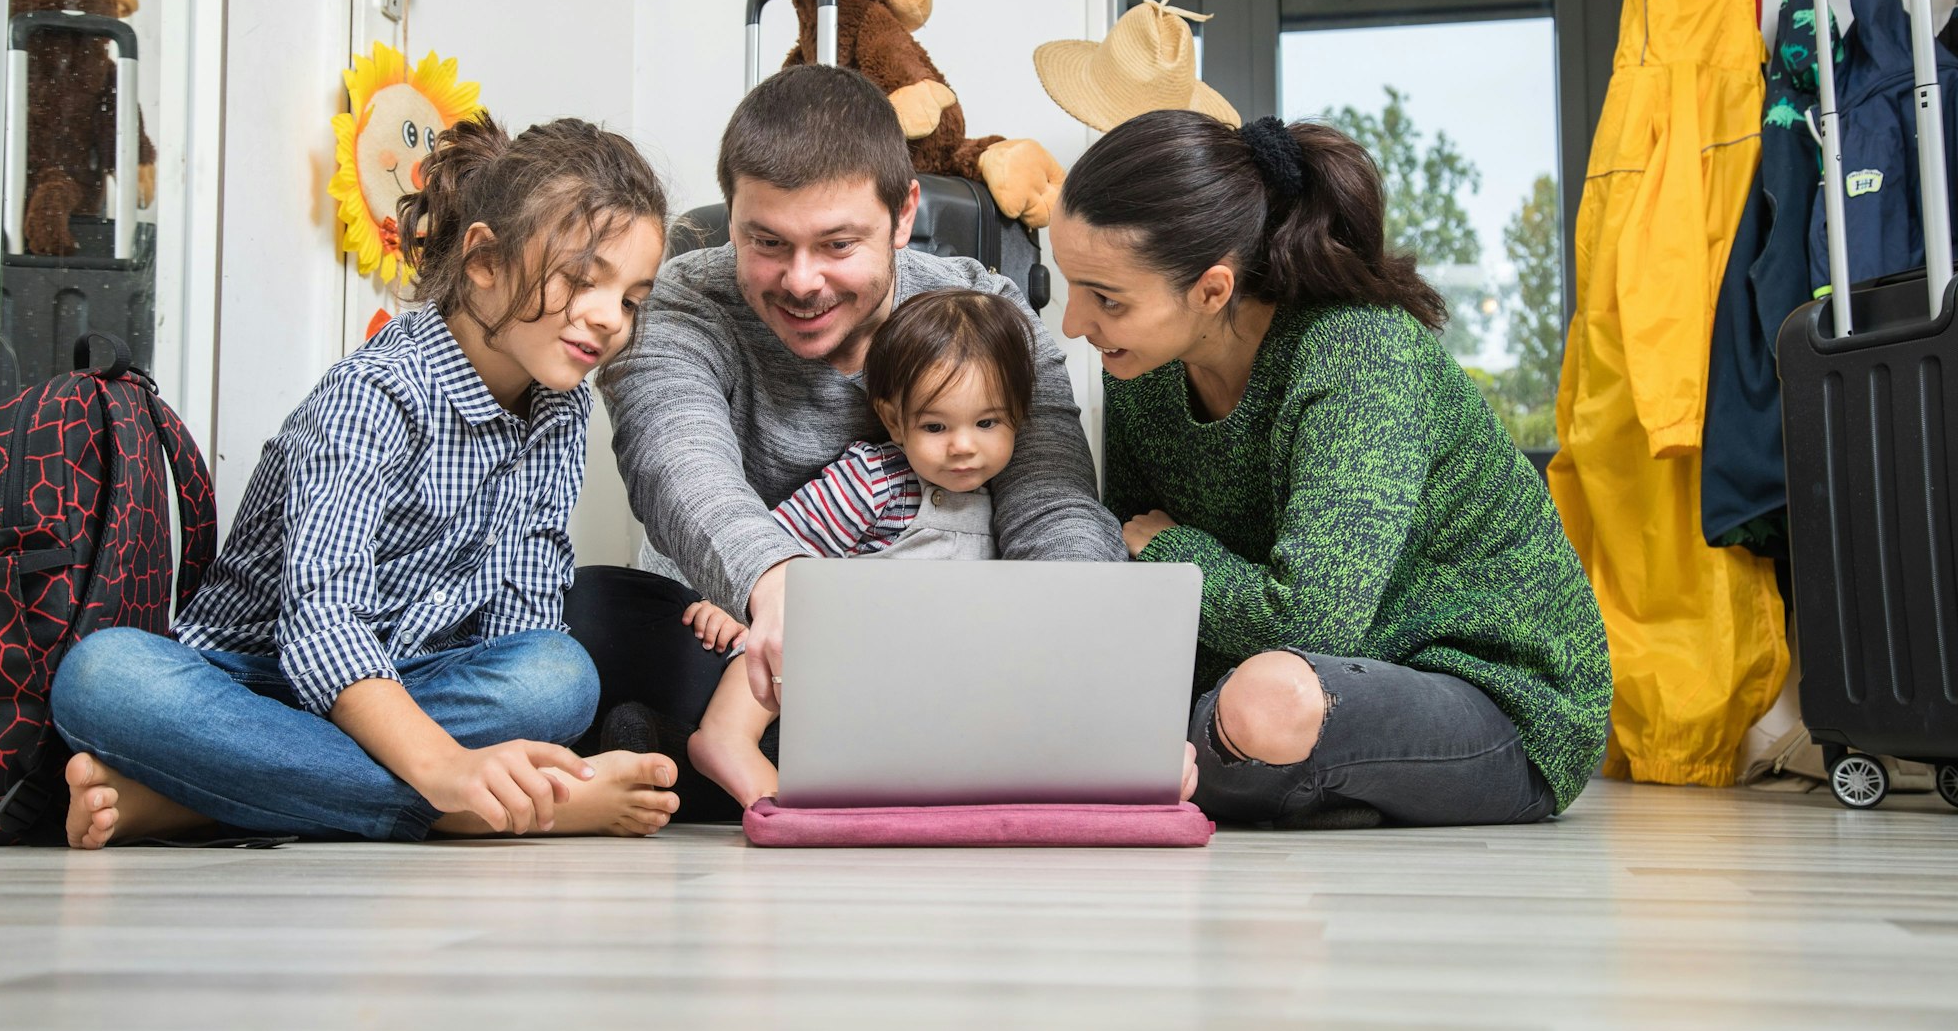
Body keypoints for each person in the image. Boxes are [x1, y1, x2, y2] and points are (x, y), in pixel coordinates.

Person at [48, 114, 684, 848]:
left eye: (631, 299)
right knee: (103, 675)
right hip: (255, 681)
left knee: (560, 674)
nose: (609, 319)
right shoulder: (376, 393)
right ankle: (452, 808)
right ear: (482, 259)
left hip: (411, 685)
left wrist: (454, 735)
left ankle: (205, 796)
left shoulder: (562, 406)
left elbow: (521, 623)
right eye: (581, 280)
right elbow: (322, 626)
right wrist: (446, 768)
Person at [579, 66, 1129, 807]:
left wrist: (1076, 655)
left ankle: (691, 758)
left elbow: (1052, 503)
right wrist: (775, 585)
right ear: (732, 220)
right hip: (735, 641)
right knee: (587, 615)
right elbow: (674, 460)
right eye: (766, 242)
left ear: (903, 215)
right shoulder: (681, 299)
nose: (802, 281)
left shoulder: (991, 314)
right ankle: (825, 759)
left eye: (838, 244)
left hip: (941, 648)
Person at [1053, 109, 1611, 828]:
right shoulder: (1141, 373)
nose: (1073, 323)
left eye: (1107, 299)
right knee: (1145, 725)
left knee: (1266, 704)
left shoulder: (1359, 352)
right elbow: (1152, 599)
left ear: (1213, 289)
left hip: (1498, 695)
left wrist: (1171, 550)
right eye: (1071, 285)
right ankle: (1286, 780)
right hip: (1300, 670)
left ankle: (1262, 772)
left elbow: (1314, 617)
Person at [686, 288, 1038, 808]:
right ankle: (727, 736)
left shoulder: (1007, 504)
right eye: (935, 426)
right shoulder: (876, 480)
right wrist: (727, 606)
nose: (964, 446)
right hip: (844, 664)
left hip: (919, 684)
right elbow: (775, 550)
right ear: (895, 421)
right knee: (796, 621)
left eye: (987, 423)